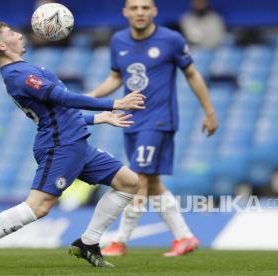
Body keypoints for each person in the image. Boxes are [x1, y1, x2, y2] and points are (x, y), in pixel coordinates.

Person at [0, 18, 147, 269]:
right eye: (11, 32)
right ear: (1, 45)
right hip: (60, 146)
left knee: (128, 182)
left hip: (75, 142)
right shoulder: (18, 75)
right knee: (39, 206)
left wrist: (98, 118)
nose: (20, 35)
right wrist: (114, 103)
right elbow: (62, 99)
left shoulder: (24, 68)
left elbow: (56, 112)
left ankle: (87, 242)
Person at [86, 0, 218, 257]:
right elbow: (116, 77)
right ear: (125, 12)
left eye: (145, 7)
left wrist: (210, 112)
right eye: (134, 8)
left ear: (154, 11)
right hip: (131, 121)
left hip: (158, 120)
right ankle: (185, 237)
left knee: (137, 179)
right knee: (153, 183)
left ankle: (120, 242)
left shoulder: (171, 40)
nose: (140, 12)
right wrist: (91, 97)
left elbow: (192, 74)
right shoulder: (118, 41)